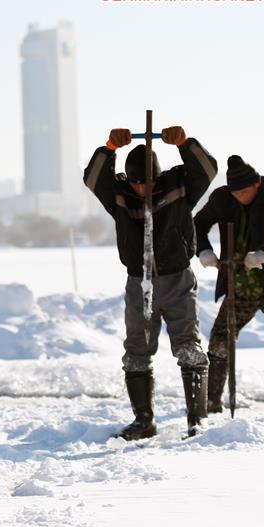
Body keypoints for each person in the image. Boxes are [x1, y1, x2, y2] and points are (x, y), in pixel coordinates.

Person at [83, 126, 217, 438]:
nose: (142, 188)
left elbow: (208, 169)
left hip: (178, 280)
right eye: (136, 183)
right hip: (138, 283)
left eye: (148, 182)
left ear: (158, 176)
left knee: (189, 348)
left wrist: (184, 143)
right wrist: (109, 148)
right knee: (137, 352)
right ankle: (144, 420)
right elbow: (92, 178)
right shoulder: (118, 194)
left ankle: (197, 419)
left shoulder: (180, 186)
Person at [194, 155, 264, 411]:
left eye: (244, 192)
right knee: (220, 338)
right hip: (238, 284)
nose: (240, 197)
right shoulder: (222, 197)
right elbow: (198, 223)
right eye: (235, 193)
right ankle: (212, 401)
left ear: (256, 184)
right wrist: (203, 250)